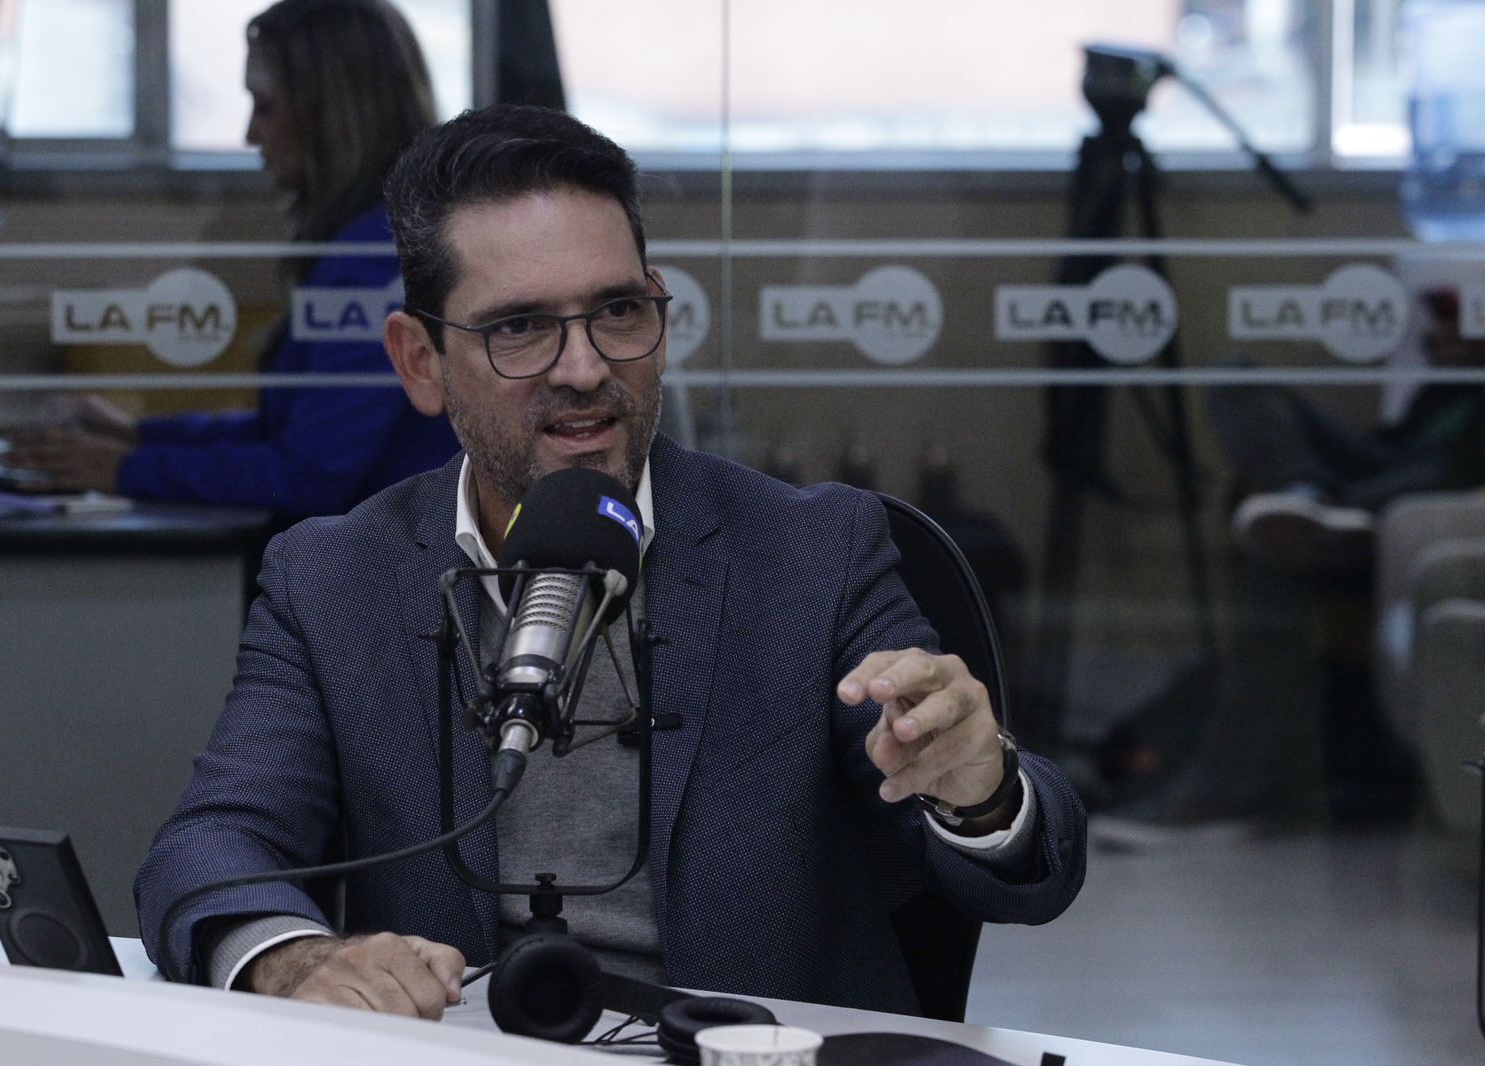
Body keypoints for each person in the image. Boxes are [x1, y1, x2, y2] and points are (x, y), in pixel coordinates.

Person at [135, 104, 1087, 1021]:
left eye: (619, 311)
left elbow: (1018, 872)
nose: (584, 369)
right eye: (519, 327)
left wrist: (980, 791)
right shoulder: (331, 579)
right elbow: (212, 844)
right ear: (420, 361)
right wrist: (297, 959)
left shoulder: (815, 551)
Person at [9, 0, 457, 520]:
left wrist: (122, 467)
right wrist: (136, 435)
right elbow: (288, 432)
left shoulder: (373, 257)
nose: (249, 134)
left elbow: (308, 476)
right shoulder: (378, 240)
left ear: (330, 115)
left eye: (265, 107)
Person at [1210, 287, 1485, 570]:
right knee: (1236, 372)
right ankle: (1303, 493)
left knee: (1444, 472)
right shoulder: (1444, 386)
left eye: (1456, 325)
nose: (1440, 334)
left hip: (1448, 474)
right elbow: (1392, 441)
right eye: (1441, 325)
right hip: (1382, 460)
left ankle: (1325, 517)